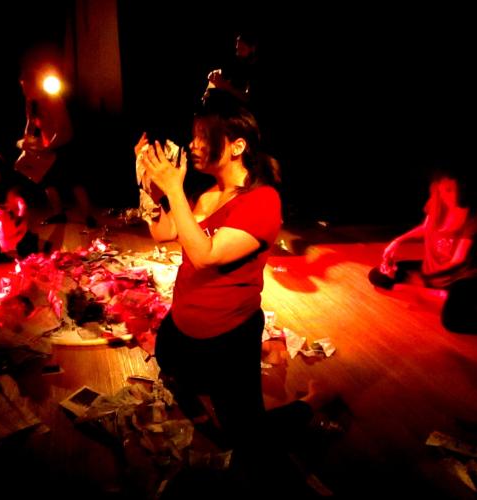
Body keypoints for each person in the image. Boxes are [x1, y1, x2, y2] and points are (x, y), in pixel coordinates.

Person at [139, 89, 330, 494]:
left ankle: (312, 401)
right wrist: (148, 186)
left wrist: (174, 189)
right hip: (182, 326)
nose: (193, 144)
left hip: (227, 338)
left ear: (238, 146)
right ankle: (210, 387)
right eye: (194, 135)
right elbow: (163, 231)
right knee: (170, 365)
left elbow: (205, 255)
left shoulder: (262, 201)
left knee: (248, 439)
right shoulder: (206, 192)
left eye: (203, 136)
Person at [368, 169, 477, 333]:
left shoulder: (472, 216)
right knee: (378, 275)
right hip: (431, 268)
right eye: (442, 190)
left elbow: (457, 260)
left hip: (459, 276)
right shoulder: (437, 203)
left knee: (452, 321)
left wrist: (425, 277)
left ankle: (438, 291)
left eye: (451, 190)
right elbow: (425, 228)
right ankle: (435, 291)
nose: (446, 196)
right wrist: (398, 241)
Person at [16, 49, 97, 228]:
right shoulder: (30, 101)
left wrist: (49, 147)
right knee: (48, 181)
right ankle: (58, 214)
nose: (24, 90)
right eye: (23, 87)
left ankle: (88, 216)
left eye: (27, 86)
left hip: (64, 143)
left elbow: (62, 128)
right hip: (48, 145)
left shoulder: (52, 99)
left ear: (35, 85)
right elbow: (30, 123)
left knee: (75, 181)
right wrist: (26, 141)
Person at [205, 30, 261, 107]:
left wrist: (225, 85)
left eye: (242, 49)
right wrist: (215, 75)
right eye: (237, 48)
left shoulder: (255, 69)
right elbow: (227, 74)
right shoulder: (238, 61)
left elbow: (248, 98)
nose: (238, 52)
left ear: (252, 49)